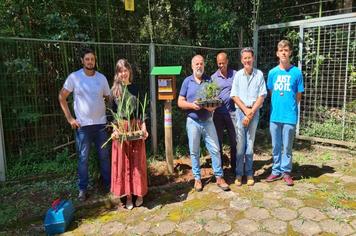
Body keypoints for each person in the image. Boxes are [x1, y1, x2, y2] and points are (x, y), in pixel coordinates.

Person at [58, 48, 111, 201]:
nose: (90, 62)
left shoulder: (101, 78)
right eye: (87, 59)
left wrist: (107, 111)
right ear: (82, 60)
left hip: (101, 124)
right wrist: (70, 119)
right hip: (83, 127)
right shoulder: (74, 77)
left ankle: (108, 185)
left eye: (92, 59)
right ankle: (82, 189)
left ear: (95, 61)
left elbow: (108, 97)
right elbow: (62, 97)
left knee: (104, 157)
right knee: (83, 159)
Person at [178, 54, 230, 192]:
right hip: (192, 121)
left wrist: (210, 107)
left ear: (204, 65)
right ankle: (197, 179)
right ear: (192, 66)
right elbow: (180, 102)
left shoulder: (209, 80)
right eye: (197, 64)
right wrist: (191, 105)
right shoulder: (187, 81)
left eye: (201, 63)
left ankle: (219, 177)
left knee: (215, 148)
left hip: (207, 120)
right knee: (194, 151)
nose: (199, 66)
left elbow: (215, 100)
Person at [110, 59, 149, 210]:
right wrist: (115, 129)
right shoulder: (115, 91)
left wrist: (144, 126)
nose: (123, 73)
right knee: (124, 163)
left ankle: (139, 193)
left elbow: (142, 110)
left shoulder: (137, 88)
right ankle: (127, 195)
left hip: (135, 126)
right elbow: (112, 114)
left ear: (129, 71)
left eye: (125, 70)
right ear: (117, 73)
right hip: (121, 128)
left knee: (137, 161)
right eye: (120, 71)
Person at [266, 40, 304, 186]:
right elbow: (271, 92)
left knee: (287, 146)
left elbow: (298, 95)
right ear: (277, 53)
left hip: (289, 116)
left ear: (290, 53)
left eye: (286, 50)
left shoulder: (296, 72)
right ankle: (276, 170)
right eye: (281, 50)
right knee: (276, 146)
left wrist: (291, 108)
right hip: (275, 116)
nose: (283, 52)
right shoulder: (272, 73)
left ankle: (286, 172)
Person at [230, 47, 267, 186]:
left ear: (253, 58)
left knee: (250, 144)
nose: (247, 60)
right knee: (240, 144)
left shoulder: (259, 74)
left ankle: (249, 173)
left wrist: (251, 112)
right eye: (244, 58)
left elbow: (262, 96)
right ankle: (239, 174)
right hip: (241, 111)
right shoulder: (238, 75)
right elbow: (234, 95)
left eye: (249, 58)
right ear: (241, 60)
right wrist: (245, 110)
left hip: (254, 111)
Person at [211, 51, 237, 174]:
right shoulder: (213, 78)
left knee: (235, 140)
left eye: (223, 63)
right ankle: (219, 167)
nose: (221, 65)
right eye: (219, 63)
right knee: (218, 141)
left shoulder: (235, 75)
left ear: (227, 61)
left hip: (233, 113)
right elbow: (210, 95)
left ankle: (235, 167)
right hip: (218, 114)